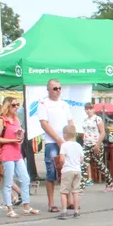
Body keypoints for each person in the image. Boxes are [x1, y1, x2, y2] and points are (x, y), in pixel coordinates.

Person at [0, 97, 37, 218]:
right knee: (8, 182)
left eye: (17, 105)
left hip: (17, 153)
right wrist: (12, 140)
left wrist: (20, 136)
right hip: (7, 153)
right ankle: (10, 208)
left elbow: (18, 136)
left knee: (25, 178)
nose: (16, 107)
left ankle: (26, 206)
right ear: (7, 106)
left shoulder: (16, 119)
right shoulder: (2, 120)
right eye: (13, 105)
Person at [36, 79, 74, 213]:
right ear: (48, 90)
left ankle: (69, 201)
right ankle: (51, 203)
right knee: (51, 171)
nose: (58, 91)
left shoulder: (64, 104)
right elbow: (44, 124)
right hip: (51, 142)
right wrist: (58, 139)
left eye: (59, 88)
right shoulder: (43, 103)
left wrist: (71, 139)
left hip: (65, 141)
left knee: (67, 171)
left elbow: (70, 122)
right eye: (55, 88)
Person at [81, 103, 113, 191]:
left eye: (90, 108)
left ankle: (109, 183)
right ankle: (81, 187)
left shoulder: (97, 119)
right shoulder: (85, 120)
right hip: (87, 144)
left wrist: (97, 145)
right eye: (87, 109)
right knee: (84, 165)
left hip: (96, 144)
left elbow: (102, 133)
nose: (88, 110)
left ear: (94, 109)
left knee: (99, 165)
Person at [56, 126, 84, 220]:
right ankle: (76, 211)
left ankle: (64, 212)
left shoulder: (64, 145)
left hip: (67, 170)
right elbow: (81, 159)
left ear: (64, 135)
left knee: (64, 192)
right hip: (77, 170)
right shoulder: (78, 145)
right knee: (75, 192)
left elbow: (62, 159)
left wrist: (60, 165)